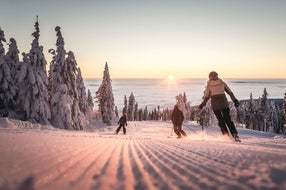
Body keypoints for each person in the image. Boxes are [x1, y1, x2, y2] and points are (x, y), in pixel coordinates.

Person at [199, 71, 241, 142]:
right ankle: (235, 135)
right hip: (224, 104)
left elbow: (206, 96)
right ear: (217, 76)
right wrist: (235, 100)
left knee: (221, 121)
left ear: (209, 77)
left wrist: (202, 105)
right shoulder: (222, 83)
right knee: (228, 120)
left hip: (215, 105)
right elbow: (230, 92)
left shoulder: (209, 85)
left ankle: (226, 136)